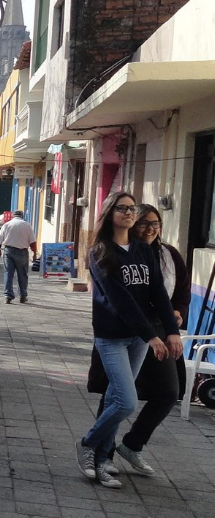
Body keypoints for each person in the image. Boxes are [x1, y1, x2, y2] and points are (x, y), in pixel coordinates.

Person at [76, 192, 182, 489]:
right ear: (110, 213)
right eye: (121, 208)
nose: (128, 213)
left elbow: (157, 292)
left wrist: (170, 332)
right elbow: (119, 300)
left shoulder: (142, 249)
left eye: (131, 208)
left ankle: (101, 460)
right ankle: (87, 443)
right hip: (112, 337)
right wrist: (152, 336)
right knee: (125, 401)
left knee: (114, 399)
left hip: (138, 337)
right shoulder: (100, 251)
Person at [0, 210, 38, 304]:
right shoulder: (27, 225)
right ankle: (23, 296)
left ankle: (8, 296)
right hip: (22, 252)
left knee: (8, 273)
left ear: (13, 216)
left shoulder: (7, 225)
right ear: (22, 216)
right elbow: (32, 242)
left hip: (9, 251)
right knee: (22, 274)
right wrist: (34, 253)